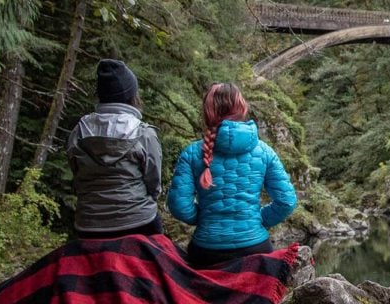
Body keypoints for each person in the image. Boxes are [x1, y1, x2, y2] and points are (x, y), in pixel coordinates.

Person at [167, 82, 297, 266]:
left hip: (206, 251)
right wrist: (257, 219)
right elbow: (287, 201)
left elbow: (178, 205)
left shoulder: (192, 153)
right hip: (255, 248)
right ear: (242, 108)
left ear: (208, 112)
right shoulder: (265, 152)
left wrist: (204, 218)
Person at [67, 59, 164, 239]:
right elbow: (154, 182)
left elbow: (76, 174)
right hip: (139, 220)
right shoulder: (143, 133)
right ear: (131, 95)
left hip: (88, 222)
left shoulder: (79, 131)